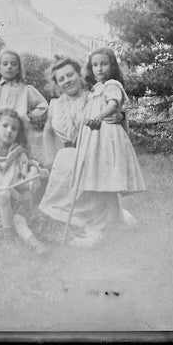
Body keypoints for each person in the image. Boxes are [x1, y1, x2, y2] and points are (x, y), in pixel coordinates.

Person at [38, 57, 135, 246]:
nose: (67, 80)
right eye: (61, 78)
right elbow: (48, 131)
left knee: (93, 205)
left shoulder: (95, 96)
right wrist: (49, 159)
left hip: (92, 157)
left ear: (79, 75)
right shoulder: (55, 104)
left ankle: (98, 229)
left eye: (70, 75)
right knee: (56, 209)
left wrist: (120, 117)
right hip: (64, 161)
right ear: (57, 84)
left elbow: (117, 115)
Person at [69, 47, 146, 248]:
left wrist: (99, 117)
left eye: (104, 64)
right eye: (95, 65)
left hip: (107, 137)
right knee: (101, 185)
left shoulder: (112, 85)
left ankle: (111, 228)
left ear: (112, 66)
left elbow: (113, 105)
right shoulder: (95, 89)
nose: (99, 68)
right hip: (95, 139)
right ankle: (109, 224)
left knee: (108, 184)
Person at [0, 109, 50, 255]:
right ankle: (9, 239)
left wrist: (34, 175)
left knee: (18, 219)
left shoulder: (19, 155)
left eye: (14, 128)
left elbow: (26, 181)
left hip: (17, 201)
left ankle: (34, 244)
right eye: (5, 126)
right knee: (3, 195)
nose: (9, 131)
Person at [0, 49, 48, 131]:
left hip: (18, 133)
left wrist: (28, 117)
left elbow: (43, 106)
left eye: (14, 64)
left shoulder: (26, 90)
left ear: (19, 69)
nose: (9, 67)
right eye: (5, 64)